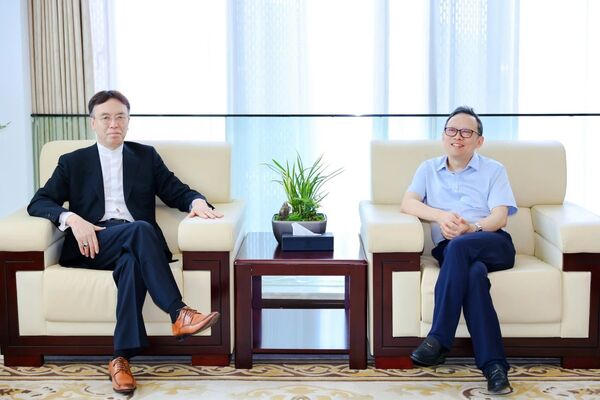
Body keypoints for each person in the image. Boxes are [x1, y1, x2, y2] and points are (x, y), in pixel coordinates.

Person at [28, 90, 224, 395]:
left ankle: (120, 360)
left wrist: (196, 202)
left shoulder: (145, 157)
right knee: (141, 230)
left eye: (120, 117)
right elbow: (39, 202)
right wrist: (72, 219)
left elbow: (176, 190)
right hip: (93, 243)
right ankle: (178, 312)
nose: (114, 124)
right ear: (92, 122)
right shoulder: (72, 162)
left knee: (132, 262)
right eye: (106, 117)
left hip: (135, 244)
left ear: (129, 121)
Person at [400, 106, 517, 394]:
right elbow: (408, 203)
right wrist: (441, 216)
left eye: (466, 132)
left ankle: (439, 338)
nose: (458, 137)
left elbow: (500, 217)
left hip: (491, 241)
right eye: (452, 130)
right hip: (450, 248)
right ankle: (494, 368)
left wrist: (471, 228)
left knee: (461, 246)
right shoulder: (428, 168)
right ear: (443, 136)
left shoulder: (494, 170)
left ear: (479, 141)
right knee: (473, 274)